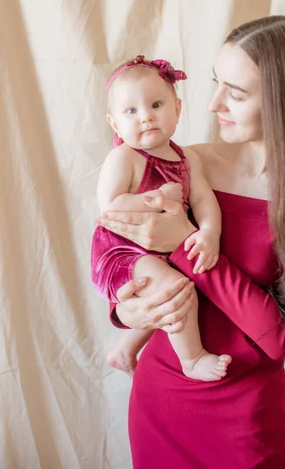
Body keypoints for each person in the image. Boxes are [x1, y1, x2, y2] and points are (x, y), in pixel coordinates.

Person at [96, 16, 285, 469]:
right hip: (164, 396)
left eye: (235, 93)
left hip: (246, 416)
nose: (214, 104)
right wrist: (126, 310)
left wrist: (189, 245)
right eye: (217, 83)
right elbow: (131, 257)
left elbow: (280, 336)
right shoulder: (188, 164)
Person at [91, 55, 231, 381]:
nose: (146, 117)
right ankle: (192, 359)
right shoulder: (123, 157)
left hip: (164, 248)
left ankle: (124, 350)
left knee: (170, 288)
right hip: (124, 251)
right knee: (175, 289)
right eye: (131, 111)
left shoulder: (187, 158)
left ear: (177, 109)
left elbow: (202, 199)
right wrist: (154, 199)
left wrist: (209, 231)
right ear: (115, 124)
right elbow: (110, 207)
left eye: (156, 104)